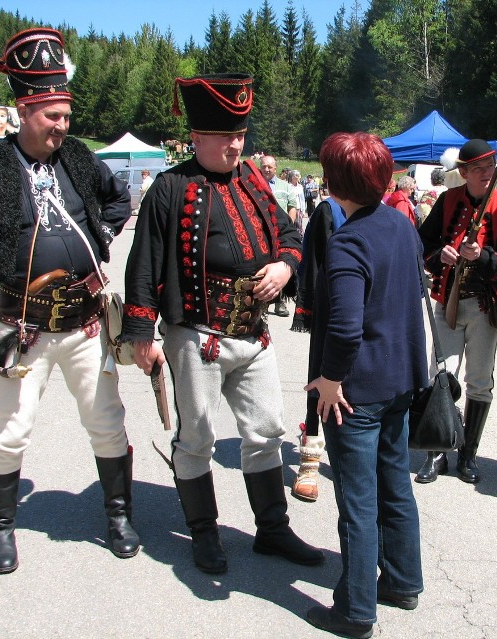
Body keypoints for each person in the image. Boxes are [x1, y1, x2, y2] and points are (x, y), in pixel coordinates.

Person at [0, 27, 138, 575]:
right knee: (10, 432)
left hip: (86, 325)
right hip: (22, 326)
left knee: (107, 422)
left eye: (66, 115)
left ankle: (118, 518)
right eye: (52, 116)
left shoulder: (77, 157)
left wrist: (102, 236)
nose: (62, 126)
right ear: (25, 110)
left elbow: (119, 199)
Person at [122, 73, 323, 575]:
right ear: (196, 137)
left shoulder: (253, 177)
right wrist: (142, 334)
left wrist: (284, 266)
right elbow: (143, 265)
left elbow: (287, 232)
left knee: (266, 430)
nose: (237, 144)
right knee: (198, 437)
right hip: (196, 336)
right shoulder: (169, 189)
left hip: (254, 336)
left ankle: (272, 530)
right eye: (225, 135)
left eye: (241, 133)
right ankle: (204, 532)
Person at [304, 132, 428, 638]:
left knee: (358, 500)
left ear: (336, 183)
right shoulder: (401, 225)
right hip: (400, 379)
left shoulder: (349, 241)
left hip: (360, 389)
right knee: (393, 485)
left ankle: (356, 609)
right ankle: (402, 580)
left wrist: (331, 380)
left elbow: (347, 327)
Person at [415, 139, 497, 485]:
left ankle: (468, 455)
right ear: (463, 173)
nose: (487, 174)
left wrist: (484, 257)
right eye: (479, 169)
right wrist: (438, 256)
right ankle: (436, 453)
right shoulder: (447, 201)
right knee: (439, 375)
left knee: (479, 381)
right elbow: (422, 244)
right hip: (448, 299)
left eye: (490, 168)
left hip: (484, 306)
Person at [289, 191, 348, 502]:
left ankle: (352, 456)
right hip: (333, 312)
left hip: (373, 316)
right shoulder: (329, 211)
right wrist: (312, 309)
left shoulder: (389, 214)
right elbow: (313, 264)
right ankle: (310, 459)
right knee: (320, 381)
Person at [260, 154, 297, 317]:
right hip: (261, 232)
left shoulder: (285, 186)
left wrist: (289, 229)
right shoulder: (253, 185)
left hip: (280, 233)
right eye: (264, 166)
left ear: (275, 168)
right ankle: (262, 303)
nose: (266, 169)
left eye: (270, 167)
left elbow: (292, 207)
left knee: (281, 263)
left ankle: (280, 303)